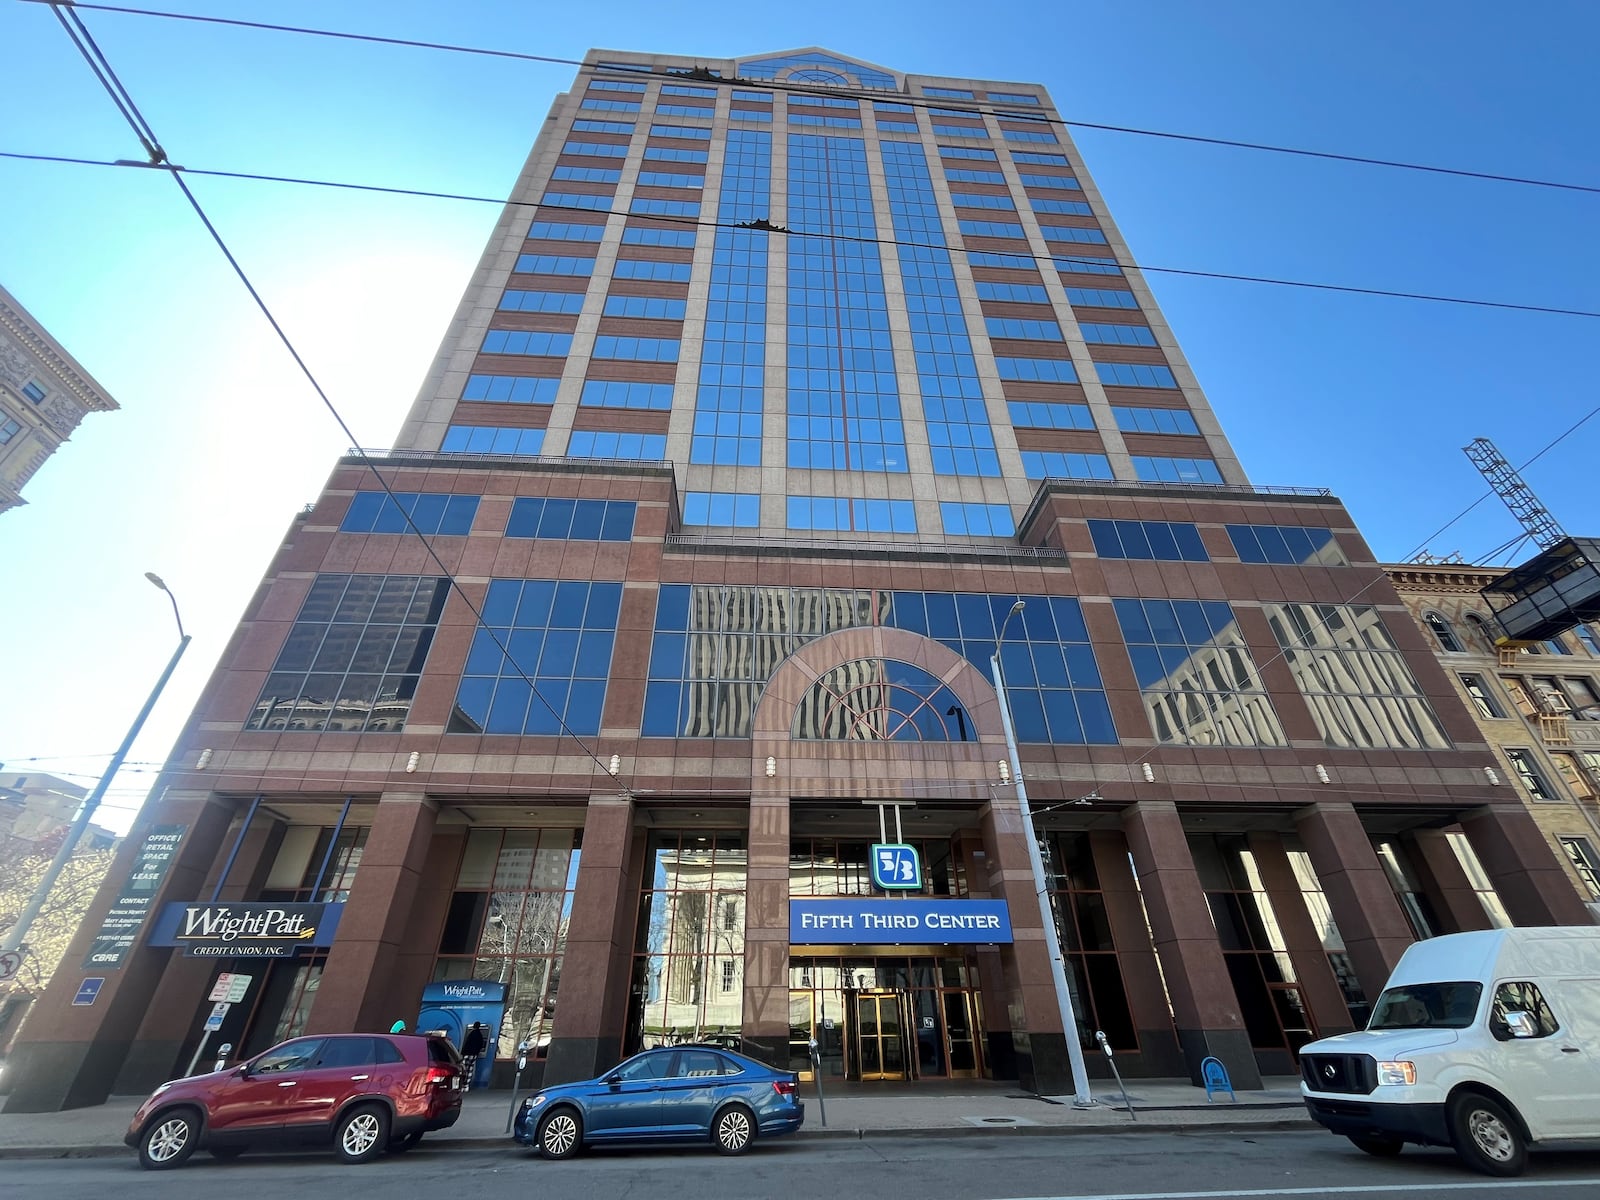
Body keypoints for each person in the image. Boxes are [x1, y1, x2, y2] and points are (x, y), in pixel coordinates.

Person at [460, 1021, 487, 1091]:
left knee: (463, 1069)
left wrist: (462, 1053)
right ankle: (466, 1085)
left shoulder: (471, 1033)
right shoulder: (480, 1035)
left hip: (467, 1054)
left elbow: (467, 1044)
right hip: (474, 1055)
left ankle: (462, 1084)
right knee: (470, 1069)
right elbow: (481, 1045)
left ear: (474, 1026)